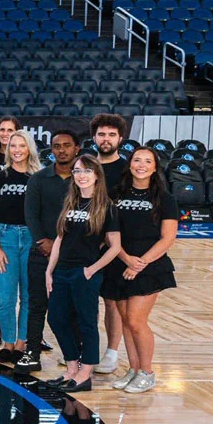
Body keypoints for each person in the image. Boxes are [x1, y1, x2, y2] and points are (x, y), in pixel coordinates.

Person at [45, 155, 123, 393]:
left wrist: (92, 269)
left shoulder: (106, 207)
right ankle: (71, 369)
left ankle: (85, 373)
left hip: (85, 273)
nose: (81, 175)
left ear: (97, 175)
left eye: (87, 171)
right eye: (77, 171)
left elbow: (115, 247)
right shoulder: (70, 203)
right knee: (56, 318)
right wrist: (49, 270)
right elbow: (60, 239)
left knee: (87, 322)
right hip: (62, 271)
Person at [103, 146, 177, 393]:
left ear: (155, 167)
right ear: (130, 164)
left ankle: (147, 372)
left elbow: (167, 239)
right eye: (137, 160)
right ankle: (134, 370)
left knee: (136, 320)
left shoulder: (165, 198)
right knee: (125, 319)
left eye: (148, 161)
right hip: (119, 261)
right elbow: (108, 233)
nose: (141, 165)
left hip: (150, 265)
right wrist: (125, 258)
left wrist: (140, 263)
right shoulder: (116, 193)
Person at [25, 129, 81, 369]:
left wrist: (65, 247)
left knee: (72, 309)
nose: (61, 150)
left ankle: (74, 355)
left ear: (77, 148)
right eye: (57, 146)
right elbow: (30, 214)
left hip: (73, 255)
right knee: (37, 305)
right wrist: (43, 241)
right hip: (41, 252)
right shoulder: (38, 178)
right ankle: (32, 353)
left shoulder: (84, 179)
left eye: (67, 145)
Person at [0, 130, 41, 370]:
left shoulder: (39, 177)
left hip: (31, 238)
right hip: (5, 238)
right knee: (6, 297)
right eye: (13, 146)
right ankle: (8, 343)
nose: (17, 150)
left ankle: (22, 344)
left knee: (29, 296)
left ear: (30, 148)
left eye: (22, 145)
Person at [91, 112, 129, 374]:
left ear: (121, 139)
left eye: (111, 135)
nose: (106, 139)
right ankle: (82, 350)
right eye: (102, 134)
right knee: (81, 301)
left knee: (112, 302)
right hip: (85, 245)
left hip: (115, 246)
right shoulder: (85, 165)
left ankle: (112, 353)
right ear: (94, 137)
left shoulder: (128, 170)